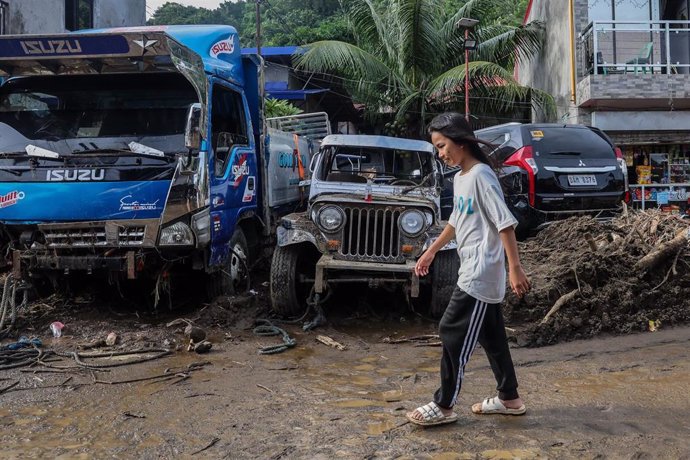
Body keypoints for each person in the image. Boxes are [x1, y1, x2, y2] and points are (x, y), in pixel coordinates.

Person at [406, 112, 531, 427]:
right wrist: (430, 252)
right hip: (472, 268)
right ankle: (509, 398)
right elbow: (456, 223)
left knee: (451, 330)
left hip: (481, 270)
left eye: (442, 145)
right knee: (492, 337)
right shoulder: (461, 178)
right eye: (437, 147)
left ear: (461, 142)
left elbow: (505, 224)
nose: (440, 153)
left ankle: (444, 404)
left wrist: (514, 268)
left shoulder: (481, 176)